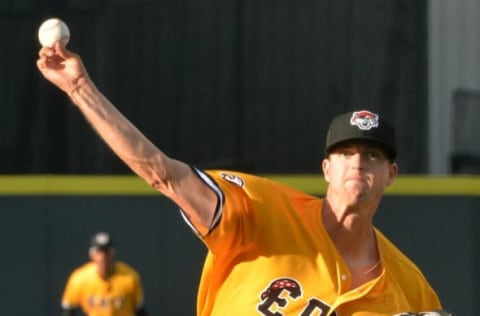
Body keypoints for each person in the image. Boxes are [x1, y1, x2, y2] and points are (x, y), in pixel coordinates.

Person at [37, 42, 452, 316]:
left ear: (391, 174)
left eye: (372, 155)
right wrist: (79, 88)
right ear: (326, 168)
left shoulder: (409, 287)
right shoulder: (260, 211)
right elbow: (160, 171)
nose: (357, 163)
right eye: (344, 153)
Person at [61, 232, 147, 316]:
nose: (103, 256)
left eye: (107, 252)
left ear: (113, 253)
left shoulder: (130, 277)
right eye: (99, 252)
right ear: (91, 255)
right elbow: (69, 310)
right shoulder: (79, 278)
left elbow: (140, 310)